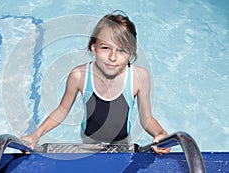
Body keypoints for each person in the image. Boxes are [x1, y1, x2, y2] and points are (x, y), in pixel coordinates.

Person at [21, 11, 171, 155]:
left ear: (131, 52)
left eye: (122, 50)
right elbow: (62, 111)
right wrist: (36, 134)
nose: (112, 57)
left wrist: (161, 134)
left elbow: (146, 119)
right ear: (94, 47)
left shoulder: (139, 77)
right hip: (90, 139)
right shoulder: (79, 75)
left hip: (122, 140)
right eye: (105, 48)